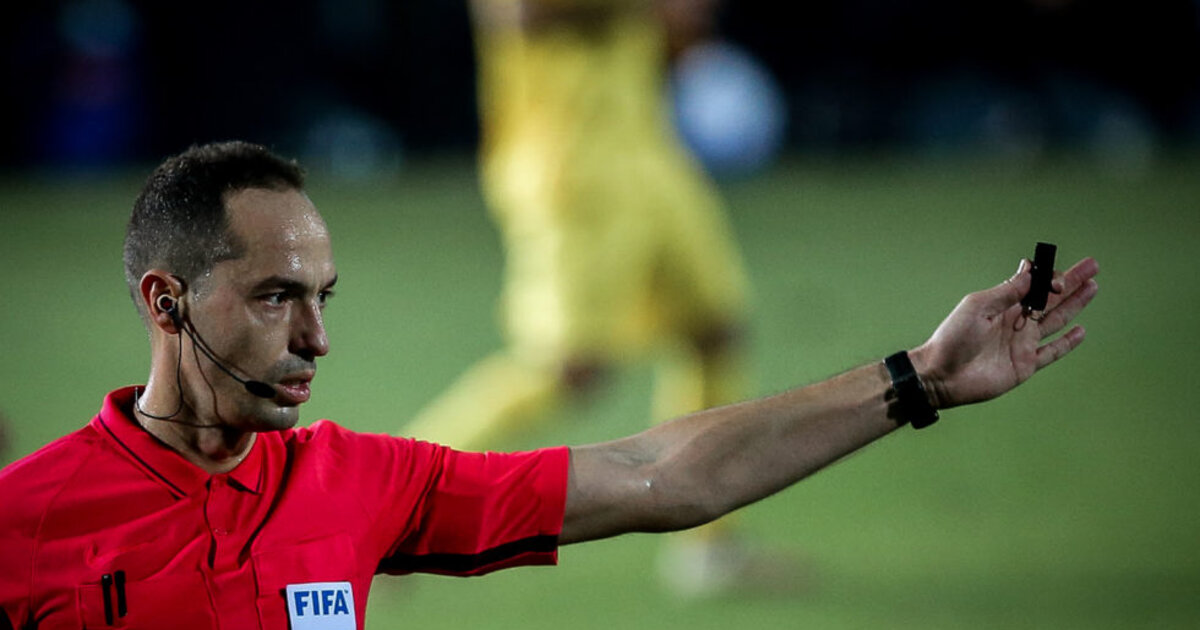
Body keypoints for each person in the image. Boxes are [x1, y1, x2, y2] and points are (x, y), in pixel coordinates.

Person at [0, 141, 1099, 630]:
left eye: (324, 296)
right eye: (277, 296)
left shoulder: (358, 485)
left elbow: (658, 473)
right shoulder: (25, 521)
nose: (317, 338)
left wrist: (921, 377)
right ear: (168, 302)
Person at [402, 0, 758, 593]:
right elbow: (519, 13)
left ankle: (707, 550)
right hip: (572, 169)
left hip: (649, 154)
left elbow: (676, 33)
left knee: (714, 333)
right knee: (568, 371)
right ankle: (389, 501)